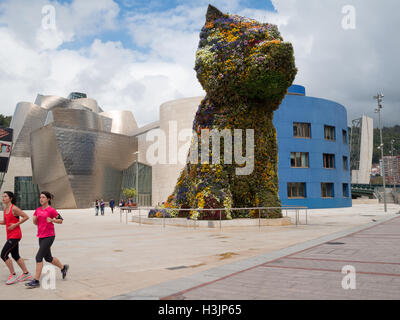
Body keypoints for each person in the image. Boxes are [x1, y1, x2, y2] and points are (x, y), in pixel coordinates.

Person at [25, 191, 69, 289]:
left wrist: (52, 220)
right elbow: (36, 223)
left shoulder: (51, 210)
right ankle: (63, 268)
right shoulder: (38, 210)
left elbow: (61, 220)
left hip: (49, 236)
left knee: (38, 257)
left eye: (43, 197)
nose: (41, 199)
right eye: (40, 197)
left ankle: (36, 281)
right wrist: (34, 220)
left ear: (48, 199)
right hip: (41, 236)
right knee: (48, 258)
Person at [0, 191, 32, 285]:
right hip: (10, 235)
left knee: (3, 255)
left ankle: (13, 275)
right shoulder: (5, 209)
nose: (3, 198)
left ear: (11, 198)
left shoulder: (14, 208)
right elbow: (5, 222)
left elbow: (26, 217)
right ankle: (26, 273)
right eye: (3, 196)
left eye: (5, 196)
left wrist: (15, 225)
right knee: (15, 255)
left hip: (15, 235)